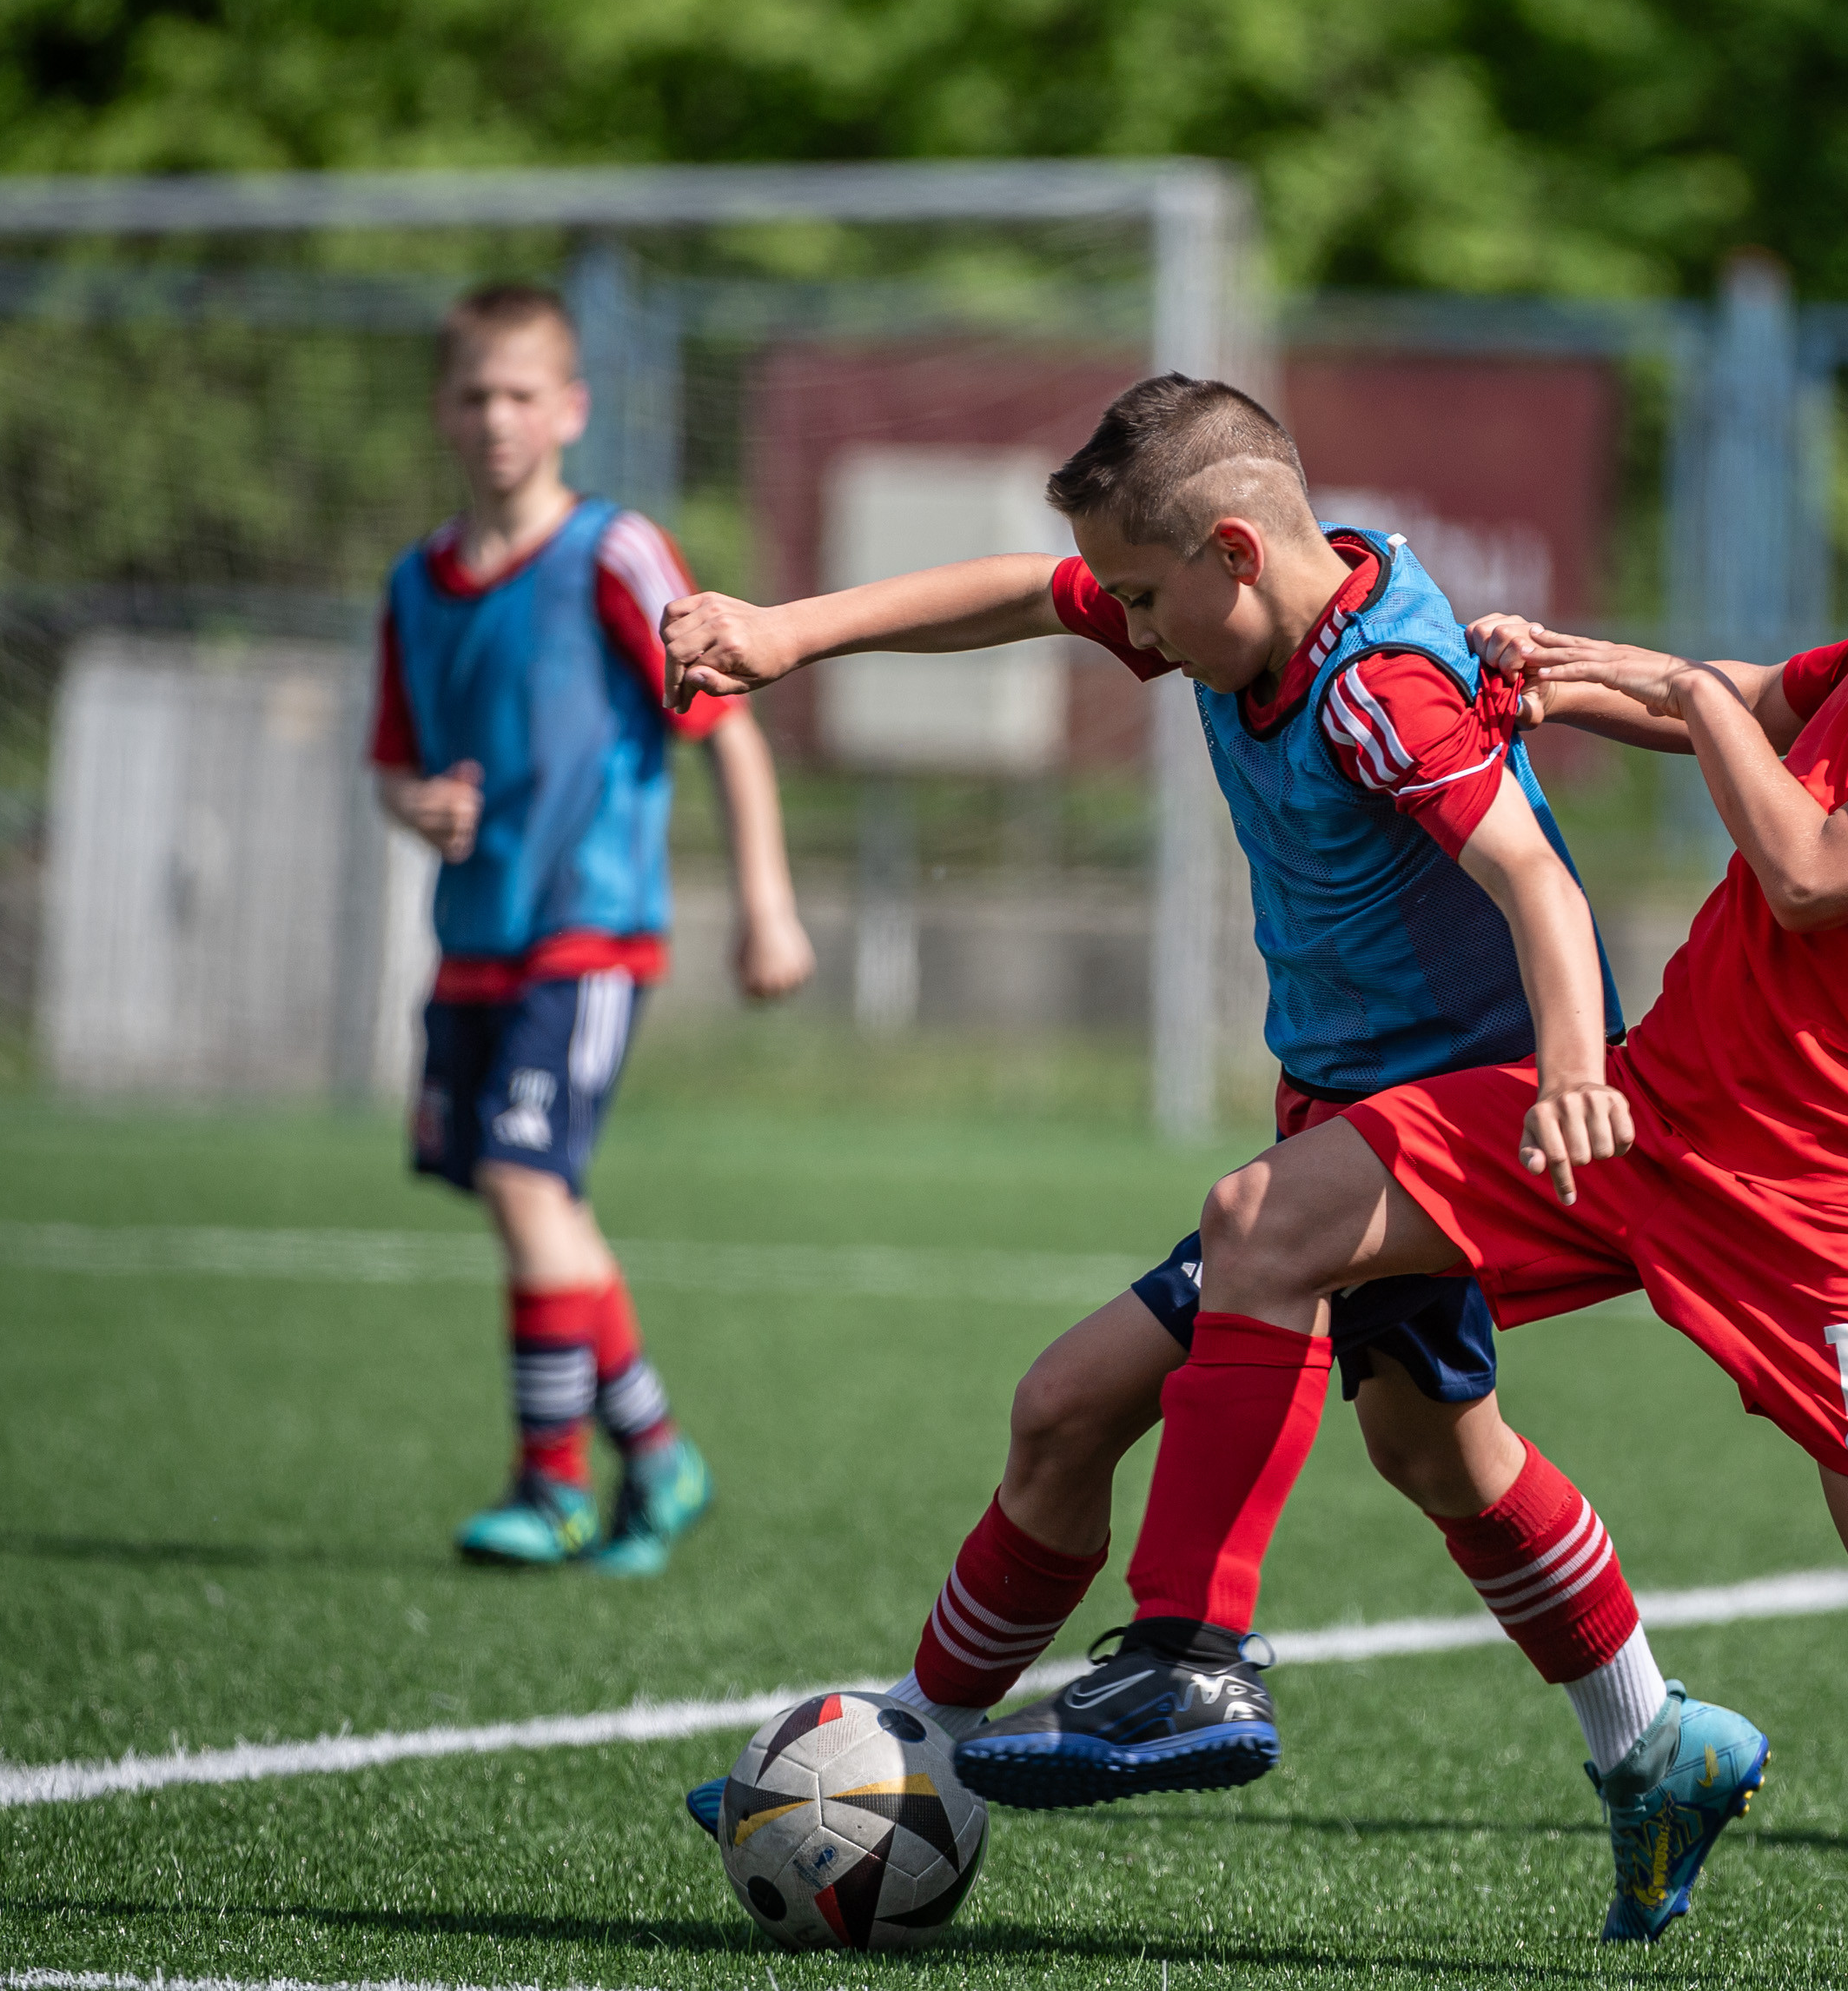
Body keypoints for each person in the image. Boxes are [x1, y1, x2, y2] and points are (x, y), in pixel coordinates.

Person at [1013, 254, 1848, 1991]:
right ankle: (1190, 1653)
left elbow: (1808, 869)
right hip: (1647, 1111)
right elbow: (1763, 695)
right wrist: (1574, 678)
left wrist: (1693, 704)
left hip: (1817, 1192)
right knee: (1262, 1222)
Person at [658, 374, 1767, 1943]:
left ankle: (1175, 1657)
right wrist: (788, 632)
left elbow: (1535, 877)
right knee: (1427, 1449)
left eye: (1141, 598)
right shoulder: (1234, 604)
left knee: (1131, 1345)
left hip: (1463, 1124)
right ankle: (1655, 1741)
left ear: (1234, 554)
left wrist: (1576, 1072)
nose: (1130, 630)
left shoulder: (1380, 691)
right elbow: (1021, 591)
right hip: (1348, 1121)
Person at [371, 282, 814, 1576]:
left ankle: (552, 1485)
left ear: (570, 408)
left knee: (525, 1186)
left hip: (589, 931)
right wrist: (418, 805)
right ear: (444, 410)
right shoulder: (414, 583)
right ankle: (659, 1457)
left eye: (522, 394)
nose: (497, 418)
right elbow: (390, 764)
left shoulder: (614, 551)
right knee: (538, 1203)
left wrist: (768, 904)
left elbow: (728, 728)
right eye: (475, 395)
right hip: (474, 940)